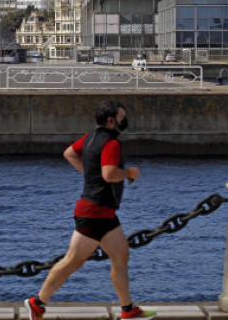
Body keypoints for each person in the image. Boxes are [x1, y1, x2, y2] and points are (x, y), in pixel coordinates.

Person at [25, 100, 156, 320]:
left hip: (101, 212)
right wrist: (130, 173)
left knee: (120, 255)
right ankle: (37, 303)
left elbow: (69, 153)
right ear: (111, 120)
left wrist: (88, 173)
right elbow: (109, 174)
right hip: (94, 212)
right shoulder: (111, 143)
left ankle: (127, 309)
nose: (125, 121)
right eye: (122, 117)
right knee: (72, 261)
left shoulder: (90, 137)